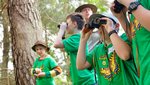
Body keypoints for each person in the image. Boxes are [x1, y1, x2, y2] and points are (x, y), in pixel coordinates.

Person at [76, 12, 138, 85]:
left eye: (104, 24)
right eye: (98, 26)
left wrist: (110, 29)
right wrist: (83, 40)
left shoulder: (125, 38)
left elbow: (125, 55)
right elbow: (80, 65)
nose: (100, 29)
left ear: (117, 26)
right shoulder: (98, 49)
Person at [111, 0, 150, 85]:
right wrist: (121, 18)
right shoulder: (135, 9)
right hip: (144, 76)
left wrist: (130, 3)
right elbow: (134, 39)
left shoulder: (135, 5)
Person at [54, 13, 96, 85]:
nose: (66, 26)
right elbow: (62, 49)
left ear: (74, 24)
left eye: (67, 23)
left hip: (87, 80)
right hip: (82, 81)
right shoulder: (77, 38)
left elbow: (56, 44)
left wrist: (61, 30)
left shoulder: (76, 37)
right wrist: (63, 34)